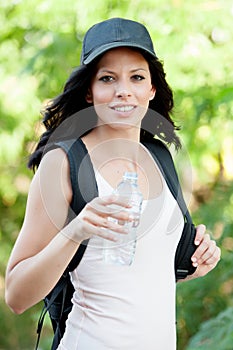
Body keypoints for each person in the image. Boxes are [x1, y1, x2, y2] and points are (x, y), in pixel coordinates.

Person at [5, 18, 221, 349]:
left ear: (151, 89)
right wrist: (75, 231)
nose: (123, 90)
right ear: (89, 92)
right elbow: (17, 295)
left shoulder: (160, 158)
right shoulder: (65, 163)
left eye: (136, 77)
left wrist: (196, 264)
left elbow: (137, 282)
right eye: (108, 78)